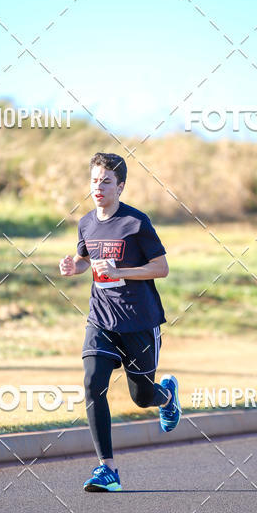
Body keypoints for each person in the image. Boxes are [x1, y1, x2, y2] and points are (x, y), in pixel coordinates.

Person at [59, 152, 181, 492]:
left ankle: (167, 397)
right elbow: (86, 259)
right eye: (95, 180)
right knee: (92, 382)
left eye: (106, 181)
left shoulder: (136, 222)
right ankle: (107, 470)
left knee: (141, 397)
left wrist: (120, 271)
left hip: (139, 321)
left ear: (121, 186)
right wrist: (75, 268)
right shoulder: (86, 222)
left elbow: (161, 268)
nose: (98, 187)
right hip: (101, 318)